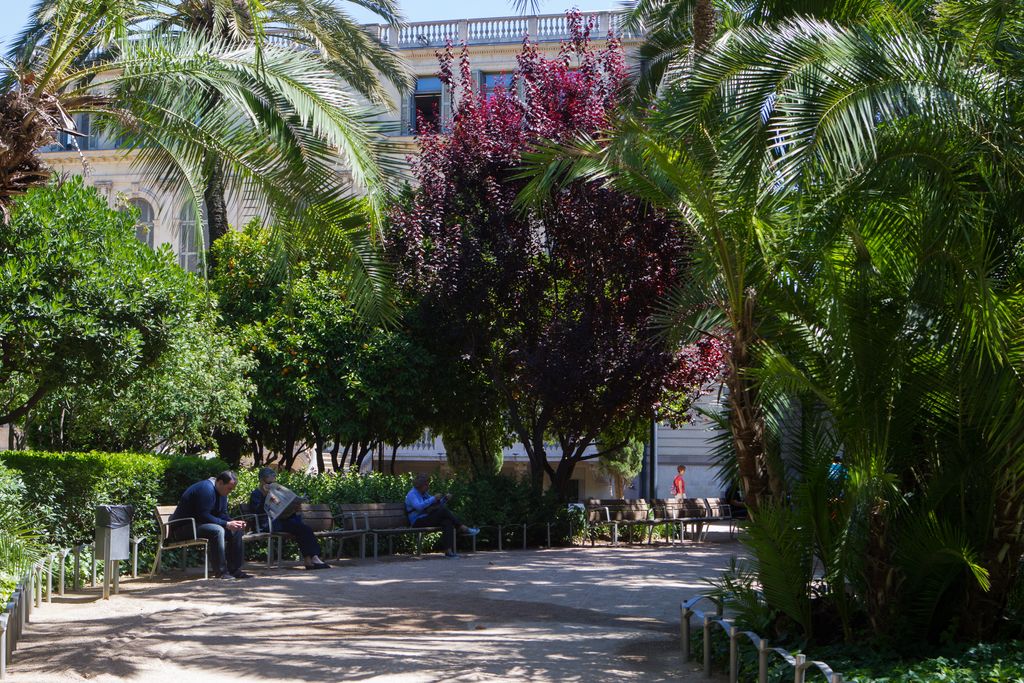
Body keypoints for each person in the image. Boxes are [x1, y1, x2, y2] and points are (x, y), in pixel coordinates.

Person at [170, 470, 250, 579]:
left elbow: (222, 514)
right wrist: (226, 524)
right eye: (229, 488)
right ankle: (221, 572)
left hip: (199, 525)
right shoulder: (205, 489)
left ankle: (234, 570)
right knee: (217, 530)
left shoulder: (222, 492)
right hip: (184, 527)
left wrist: (234, 523)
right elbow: (203, 515)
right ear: (220, 482)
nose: (230, 492)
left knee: (236, 530)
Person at [250, 468, 330, 570]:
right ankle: (312, 559)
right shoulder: (256, 494)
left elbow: (280, 507)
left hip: (280, 521)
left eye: (274, 482)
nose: (272, 484)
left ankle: (310, 558)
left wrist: (294, 508)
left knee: (304, 528)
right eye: (270, 482)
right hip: (267, 523)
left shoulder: (275, 493)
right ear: (262, 481)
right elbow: (257, 511)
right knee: (302, 529)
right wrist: (265, 498)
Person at [405, 473, 479, 558]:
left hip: (426, 518)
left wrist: (444, 499)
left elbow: (437, 505)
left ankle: (448, 551)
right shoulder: (412, 494)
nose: (428, 486)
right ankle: (462, 527)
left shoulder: (424, 493)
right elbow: (419, 507)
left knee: (447, 521)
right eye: (426, 484)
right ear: (420, 485)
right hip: (417, 522)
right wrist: (433, 498)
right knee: (443, 511)